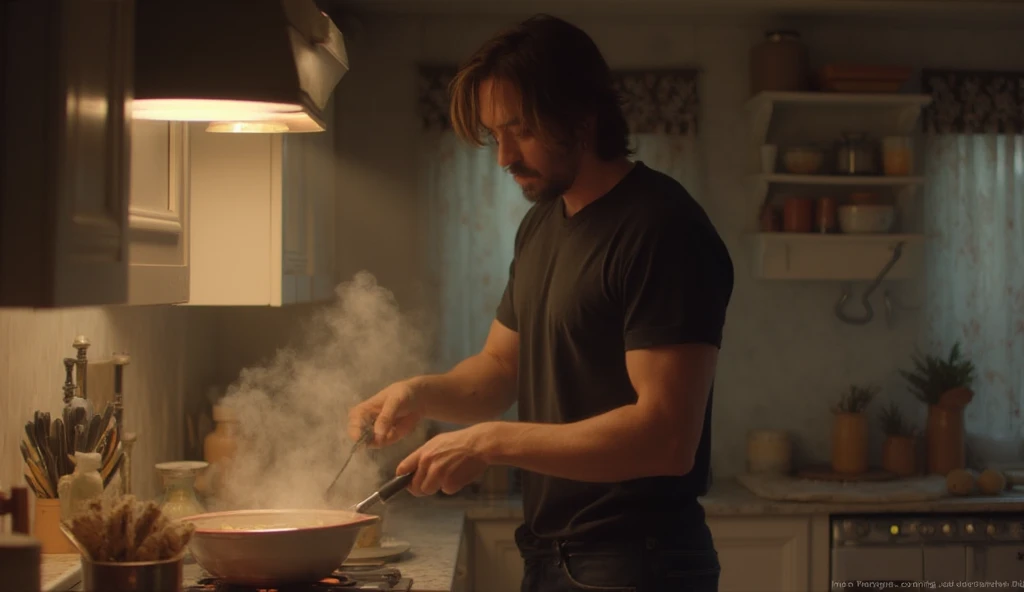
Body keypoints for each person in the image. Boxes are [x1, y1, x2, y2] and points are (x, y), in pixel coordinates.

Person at [348, 13, 733, 592]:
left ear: (581, 117)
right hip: (554, 557)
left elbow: (666, 438)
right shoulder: (541, 226)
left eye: (520, 130)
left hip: (636, 561)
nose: (503, 156)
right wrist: (418, 393)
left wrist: (489, 442)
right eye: (493, 135)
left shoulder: (662, 228)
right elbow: (500, 371)